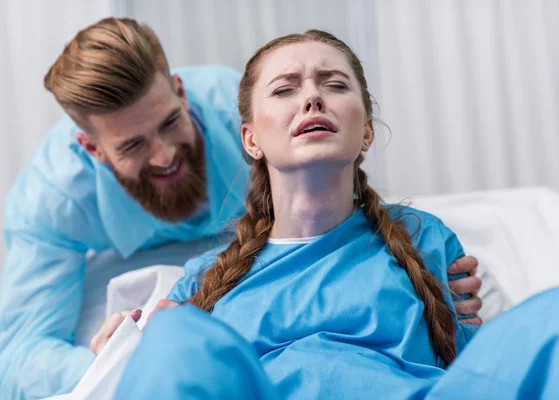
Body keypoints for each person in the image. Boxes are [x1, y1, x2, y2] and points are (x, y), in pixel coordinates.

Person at [0, 17, 481, 400]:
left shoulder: (259, 115)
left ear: (182, 94)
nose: (166, 155)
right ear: (93, 150)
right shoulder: (54, 201)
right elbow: (16, 355)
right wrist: (119, 362)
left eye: (171, 122)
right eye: (133, 147)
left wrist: (426, 272)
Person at [102, 29, 559, 399]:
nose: (312, 97)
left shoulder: (423, 239)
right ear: (251, 139)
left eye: (334, 84)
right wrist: (125, 347)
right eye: (284, 90)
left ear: (365, 131)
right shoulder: (207, 280)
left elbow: (474, 368)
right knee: (171, 339)